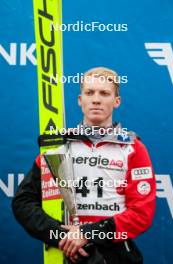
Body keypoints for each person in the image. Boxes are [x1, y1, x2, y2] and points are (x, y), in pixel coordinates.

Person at [12, 67, 156, 264]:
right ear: (80, 100)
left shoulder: (132, 148)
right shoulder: (58, 146)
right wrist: (62, 236)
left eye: (104, 93)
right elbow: (23, 202)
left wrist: (88, 234)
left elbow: (142, 213)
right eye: (89, 93)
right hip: (66, 253)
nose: (96, 99)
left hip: (115, 254)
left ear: (116, 101)